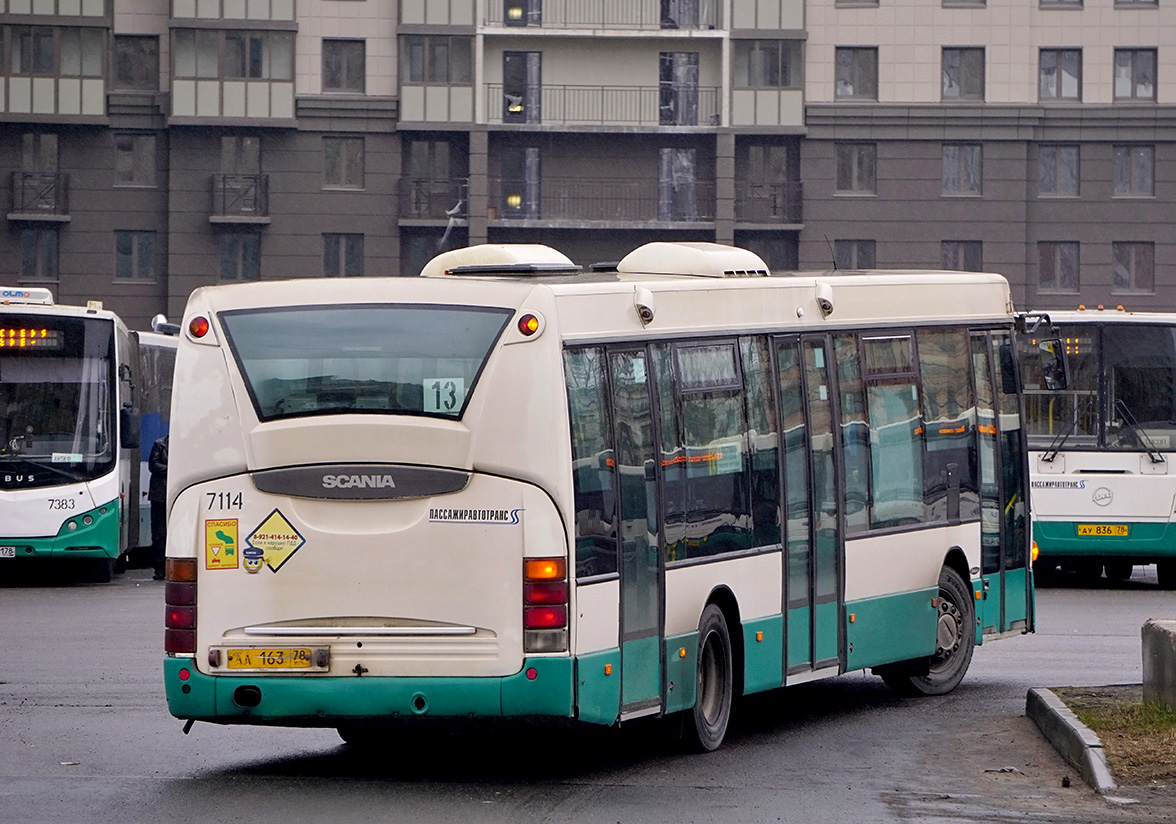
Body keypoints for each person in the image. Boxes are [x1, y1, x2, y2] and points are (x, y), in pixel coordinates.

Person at [148, 434, 169, 580]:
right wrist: (172, 469)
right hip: (160, 495)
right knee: (159, 533)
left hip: (174, 493)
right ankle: (160, 568)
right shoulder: (160, 444)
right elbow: (153, 465)